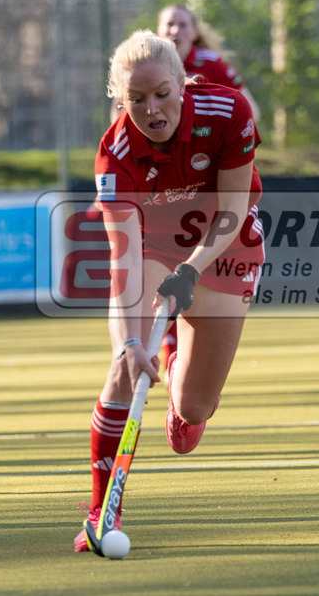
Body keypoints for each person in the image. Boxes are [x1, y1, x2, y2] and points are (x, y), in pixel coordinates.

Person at [74, 30, 265, 552]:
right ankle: (99, 506)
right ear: (121, 99)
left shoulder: (228, 112)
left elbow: (232, 208)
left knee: (194, 411)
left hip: (224, 243)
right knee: (124, 368)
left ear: (183, 84)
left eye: (162, 93)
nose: (152, 109)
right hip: (153, 244)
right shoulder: (115, 159)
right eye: (136, 99)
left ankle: (178, 355)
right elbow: (124, 261)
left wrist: (193, 268)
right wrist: (128, 345)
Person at [153, 4, 262, 371]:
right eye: (168, 23)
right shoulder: (147, 67)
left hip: (210, 190)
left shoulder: (211, 64)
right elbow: (120, 118)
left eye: (182, 24)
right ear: (158, 31)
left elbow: (252, 111)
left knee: (201, 276)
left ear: (193, 31)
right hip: (164, 193)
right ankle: (171, 361)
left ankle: (186, 367)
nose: (175, 30)